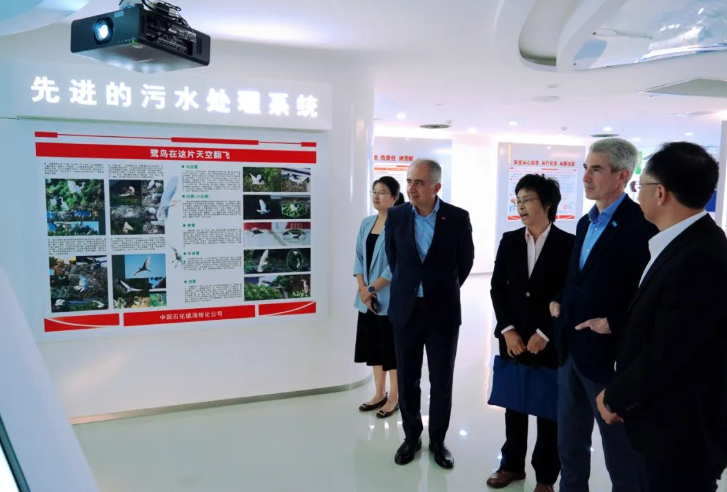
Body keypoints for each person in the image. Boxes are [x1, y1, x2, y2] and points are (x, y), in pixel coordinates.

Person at [597, 142, 727, 492]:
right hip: (661, 423)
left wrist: (614, 396)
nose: (636, 193)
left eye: (640, 185)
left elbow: (667, 351)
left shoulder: (702, 256)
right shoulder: (680, 243)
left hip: (680, 433)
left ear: (661, 193)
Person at [550, 138, 657, 492]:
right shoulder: (586, 223)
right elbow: (578, 278)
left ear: (622, 175)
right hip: (571, 352)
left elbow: (650, 297)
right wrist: (560, 300)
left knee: (621, 454)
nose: (585, 177)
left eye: (596, 169)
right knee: (570, 443)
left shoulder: (642, 226)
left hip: (610, 358)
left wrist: (612, 322)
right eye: (585, 168)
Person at [384, 158, 474, 469]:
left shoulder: (457, 218)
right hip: (406, 311)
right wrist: (411, 288)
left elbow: (465, 262)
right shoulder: (396, 215)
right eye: (409, 181)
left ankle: (438, 439)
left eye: (419, 183)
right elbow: (393, 258)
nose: (411, 188)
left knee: (441, 379)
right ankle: (411, 437)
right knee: (407, 378)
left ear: (436, 186)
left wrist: (439, 288)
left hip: (442, 310)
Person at [488, 175, 574, 492]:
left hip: (548, 341)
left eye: (527, 200)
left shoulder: (568, 244)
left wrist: (546, 332)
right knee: (515, 403)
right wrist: (507, 330)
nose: (521, 206)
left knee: (549, 409)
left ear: (547, 204)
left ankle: (546, 477)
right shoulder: (510, 240)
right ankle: (511, 465)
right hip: (514, 339)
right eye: (518, 201)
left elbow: (569, 292)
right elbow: (498, 287)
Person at [353, 176, 405, 418]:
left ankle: (394, 397)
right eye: (374, 191)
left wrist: (371, 289)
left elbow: (396, 265)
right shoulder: (366, 223)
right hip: (367, 299)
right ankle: (378, 393)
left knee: (391, 351)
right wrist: (362, 288)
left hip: (389, 297)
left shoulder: (400, 225)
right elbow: (358, 258)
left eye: (382, 192)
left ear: (394, 198)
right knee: (374, 347)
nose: (376, 196)